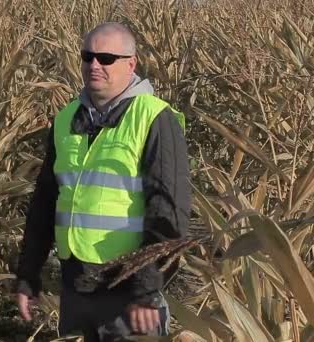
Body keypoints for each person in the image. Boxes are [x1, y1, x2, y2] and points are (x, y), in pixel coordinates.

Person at [15, 22, 191, 341]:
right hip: (76, 289)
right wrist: (28, 275)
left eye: (106, 58)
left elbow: (169, 213)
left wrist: (146, 290)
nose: (94, 64)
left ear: (130, 64)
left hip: (127, 293)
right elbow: (45, 203)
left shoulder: (154, 118)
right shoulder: (67, 119)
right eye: (88, 56)